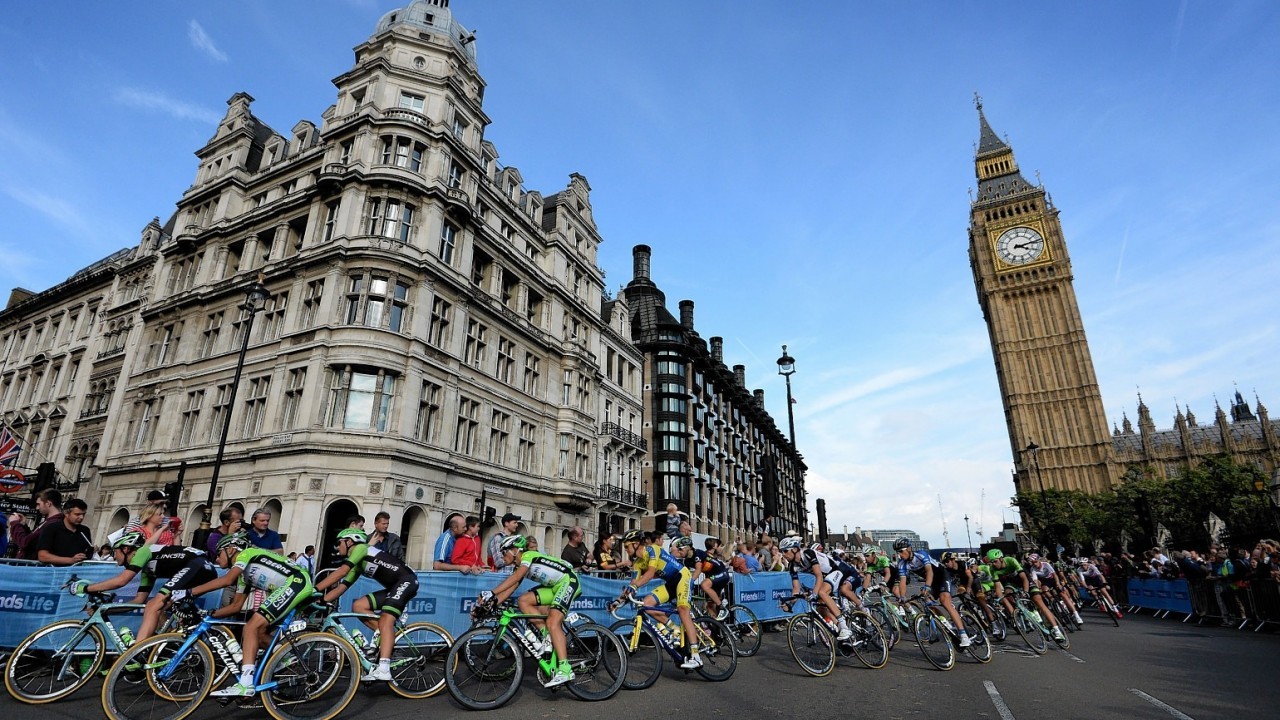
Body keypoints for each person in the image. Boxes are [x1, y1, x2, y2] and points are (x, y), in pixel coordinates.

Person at [190, 531, 314, 697]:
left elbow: (227, 580)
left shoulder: (246, 554)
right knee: (259, 633)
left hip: (296, 582)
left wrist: (189, 592)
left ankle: (246, 683)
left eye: (218, 554)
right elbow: (236, 606)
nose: (216, 560)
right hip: (291, 586)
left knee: (251, 627)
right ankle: (284, 658)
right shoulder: (244, 576)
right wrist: (209, 613)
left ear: (231, 549)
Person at [72, 530, 219, 642]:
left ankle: (136, 652)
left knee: (153, 605)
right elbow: (138, 601)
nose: (114, 556)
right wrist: (106, 610)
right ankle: (173, 644)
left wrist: (86, 588)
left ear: (126, 549)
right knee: (157, 609)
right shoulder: (148, 569)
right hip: (200, 569)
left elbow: (121, 581)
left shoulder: (143, 551)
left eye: (115, 551)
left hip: (196, 565)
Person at [474, 535, 580, 688]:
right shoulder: (519, 566)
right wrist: (494, 601)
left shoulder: (528, 556)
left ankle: (565, 669)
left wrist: (491, 592)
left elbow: (516, 577)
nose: (502, 557)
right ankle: (546, 636)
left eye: (504, 553)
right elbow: (512, 587)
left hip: (568, 581)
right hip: (554, 587)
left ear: (515, 550)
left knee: (553, 622)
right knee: (523, 600)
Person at [315, 529, 418, 681]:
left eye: (339, 543)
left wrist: (314, 589)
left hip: (406, 581)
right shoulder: (357, 565)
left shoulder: (360, 549)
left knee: (386, 620)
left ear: (349, 541)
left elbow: (341, 572)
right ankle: (384, 637)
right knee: (358, 606)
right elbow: (341, 588)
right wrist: (320, 600)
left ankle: (383, 669)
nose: (337, 548)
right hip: (395, 586)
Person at [616, 529, 702, 668]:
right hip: (670, 583)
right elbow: (633, 584)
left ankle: (696, 656)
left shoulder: (652, 550)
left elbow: (650, 574)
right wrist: (618, 601)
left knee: (683, 611)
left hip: (682, 576)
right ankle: (675, 630)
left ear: (636, 544)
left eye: (627, 546)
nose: (625, 550)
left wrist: (635, 586)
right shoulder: (637, 562)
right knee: (647, 604)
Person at [778, 536, 853, 641]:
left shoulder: (808, 554)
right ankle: (841, 630)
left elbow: (819, 576)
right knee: (821, 609)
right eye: (782, 552)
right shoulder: (792, 566)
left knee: (821, 593)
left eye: (785, 551)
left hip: (836, 571)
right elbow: (796, 588)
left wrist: (814, 593)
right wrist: (790, 603)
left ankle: (843, 625)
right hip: (826, 576)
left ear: (794, 549)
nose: (783, 555)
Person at [674, 536, 731, 620]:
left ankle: (722, 608)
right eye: (678, 549)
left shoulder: (697, 553)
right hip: (712, 577)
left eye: (681, 549)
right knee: (710, 606)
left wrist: (691, 582)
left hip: (721, 572)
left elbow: (698, 569)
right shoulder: (687, 561)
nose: (679, 552)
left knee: (704, 585)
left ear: (688, 548)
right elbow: (686, 574)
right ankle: (717, 626)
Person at [37, 497, 93, 566]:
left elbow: (87, 552)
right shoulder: (51, 528)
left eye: (83, 514)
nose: (81, 517)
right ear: (66, 513)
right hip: (54, 572)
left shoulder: (85, 530)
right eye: (77, 514)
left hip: (76, 573)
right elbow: (42, 556)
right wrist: (70, 560)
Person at [10, 488, 63, 559]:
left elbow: (25, 543)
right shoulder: (50, 522)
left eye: (39, 504)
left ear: (48, 503)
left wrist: (14, 523)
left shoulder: (52, 523)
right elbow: (32, 540)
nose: (37, 508)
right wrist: (24, 526)